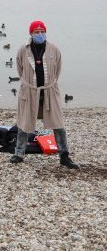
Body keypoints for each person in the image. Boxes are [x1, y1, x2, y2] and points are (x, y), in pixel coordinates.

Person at [10, 20, 79, 169]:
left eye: (42, 31)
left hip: (49, 90)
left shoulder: (54, 49)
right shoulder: (23, 50)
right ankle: (19, 153)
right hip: (29, 91)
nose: (40, 34)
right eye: (37, 32)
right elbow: (20, 69)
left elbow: (58, 70)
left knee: (58, 123)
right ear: (31, 33)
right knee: (24, 122)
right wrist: (29, 84)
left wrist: (50, 84)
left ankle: (64, 155)